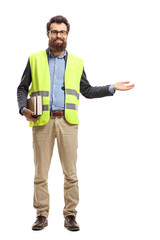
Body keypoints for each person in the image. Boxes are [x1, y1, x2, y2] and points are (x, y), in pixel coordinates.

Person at [17, 15, 135, 231]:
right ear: (48, 34)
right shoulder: (34, 59)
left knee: (70, 173)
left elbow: (87, 90)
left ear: (67, 35)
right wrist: (24, 109)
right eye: (54, 32)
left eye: (62, 32)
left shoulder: (77, 62)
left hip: (68, 123)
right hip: (41, 122)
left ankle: (70, 215)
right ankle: (41, 214)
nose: (58, 35)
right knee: (40, 173)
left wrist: (111, 87)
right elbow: (22, 88)